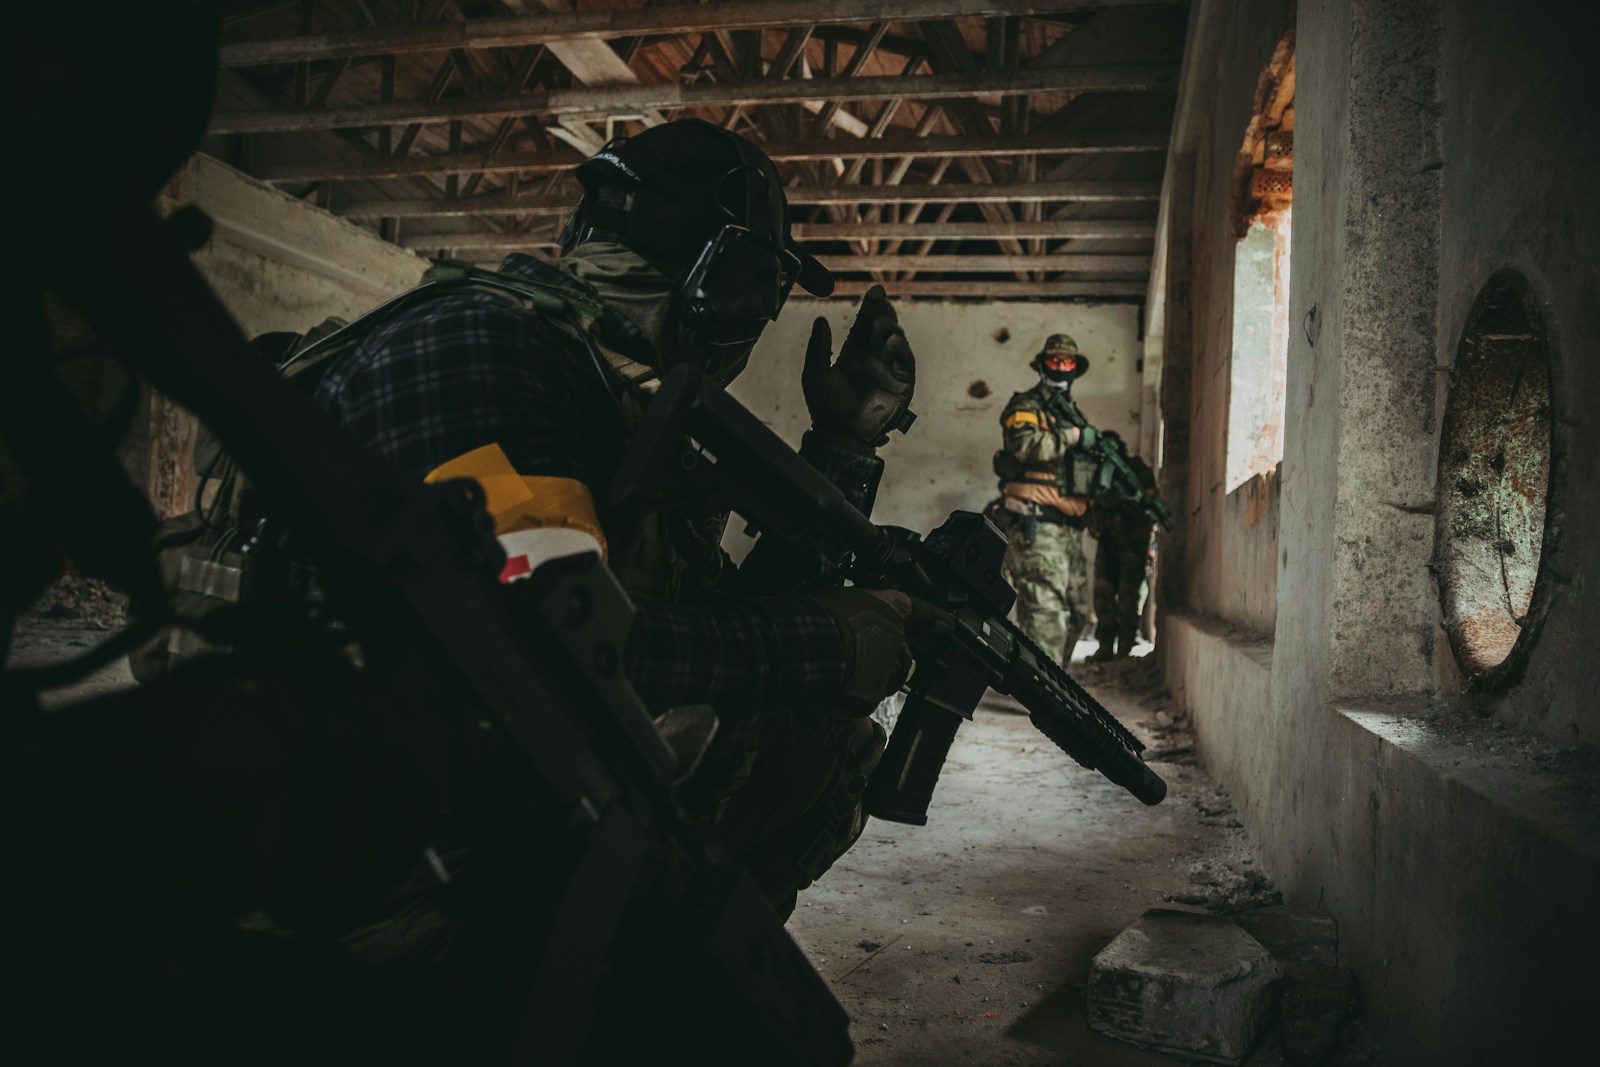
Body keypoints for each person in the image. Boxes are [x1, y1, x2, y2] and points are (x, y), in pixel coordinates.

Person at [312, 119, 934, 917]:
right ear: (732, 281)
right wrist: (828, 640)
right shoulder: (495, 348)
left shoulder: (594, 380)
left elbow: (701, 621)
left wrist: (843, 447)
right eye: (770, 288)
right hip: (391, 848)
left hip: (441, 786)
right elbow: (559, 653)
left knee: (806, 718)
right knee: (820, 733)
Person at [991, 333, 1099, 664]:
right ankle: (1041, 688)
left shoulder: (1070, 415)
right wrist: (1075, 436)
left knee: (1079, 614)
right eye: (1054, 361)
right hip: (1035, 523)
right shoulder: (1025, 405)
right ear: (1041, 365)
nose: (1061, 368)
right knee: (1044, 615)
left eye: (1068, 363)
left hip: (1068, 529)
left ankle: (1054, 682)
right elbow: (1025, 447)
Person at [1087, 430, 1157, 661]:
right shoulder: (1101, 473)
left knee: (1129, 594)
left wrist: (1121, 499)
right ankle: (1106, 644)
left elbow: (1148, 503)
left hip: (1132, 542)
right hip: (1108, 541)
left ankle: (1126, 644)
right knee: (1103, 592)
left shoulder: (1136, 470)